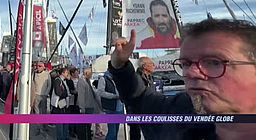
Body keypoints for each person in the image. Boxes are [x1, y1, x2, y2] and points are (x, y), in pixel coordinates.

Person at [109, 19, 256, 139]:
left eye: (213, 62)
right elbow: (139, 98)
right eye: (185, 64)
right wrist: (119, 66)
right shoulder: (179, 112)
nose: (191, 73)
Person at [98, 67, 123, 140]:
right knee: (112, 131)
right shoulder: (103, 79)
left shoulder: (116, 79)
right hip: (110, 108)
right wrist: (114, 96)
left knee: (116, 130)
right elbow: (100, 92)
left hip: (119, 107)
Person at [77, 67, 100, 140]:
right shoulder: (81, 81)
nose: (92, 75)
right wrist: (82, 108)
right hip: (86, 107)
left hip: (90, 106)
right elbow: (81, 96)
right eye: (91, 73)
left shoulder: (87, 80)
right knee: (85, 127)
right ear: (86, 73)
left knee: (88, 126)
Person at [31, 61, 52, 136]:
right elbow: (32, 84)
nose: (38, 67)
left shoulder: (47, 74)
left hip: (43, 95)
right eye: (37, 66)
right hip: (36, 95)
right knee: (37, 112)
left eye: (40, 66)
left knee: (43, 112)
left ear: (43, 67)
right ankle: (38, 128)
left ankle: (44, 126)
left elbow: (49, 85)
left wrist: (46, 93)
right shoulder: (34, 74)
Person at [51, 68, 70, 140]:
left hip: (64, 103)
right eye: (66, 72)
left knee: (65, 122)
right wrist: (65, 94)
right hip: (59, 104)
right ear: (62, 73)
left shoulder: (63, 81)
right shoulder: (57, 80)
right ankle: (60, 137)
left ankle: (65, 136)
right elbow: (58, 92)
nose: (67, 74)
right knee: (60, 123)